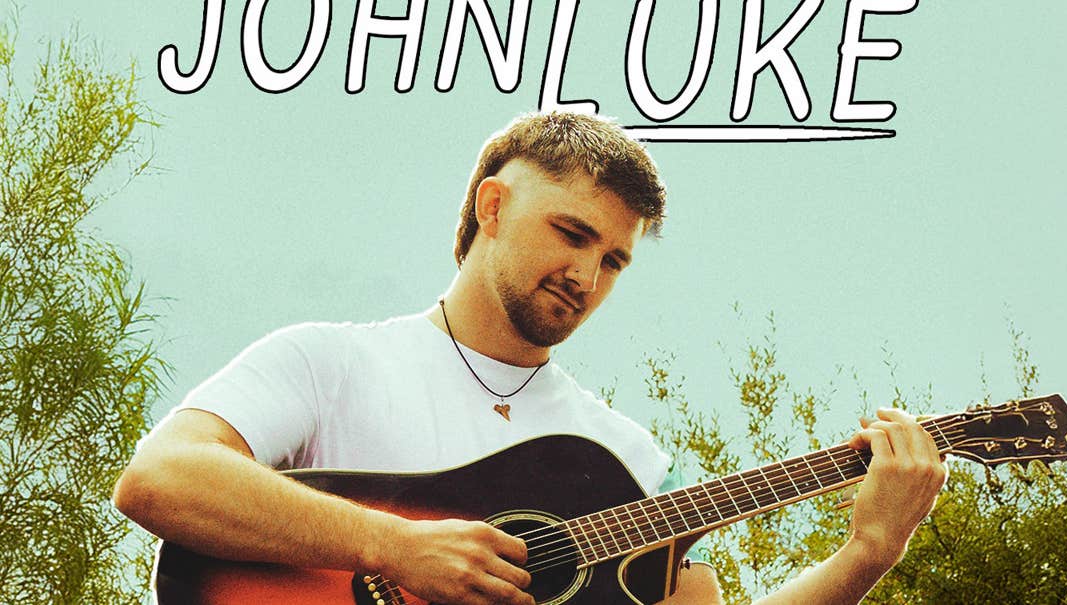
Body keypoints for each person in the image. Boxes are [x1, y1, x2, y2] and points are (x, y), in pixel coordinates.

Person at [114, 112, 948, 605]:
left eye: (614, 260)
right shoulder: (327, 362)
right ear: (493, 205)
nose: (587, 275)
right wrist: (391, 546)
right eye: (573, 233)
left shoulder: (625, 456)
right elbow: (161, 479)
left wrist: (865, 553)